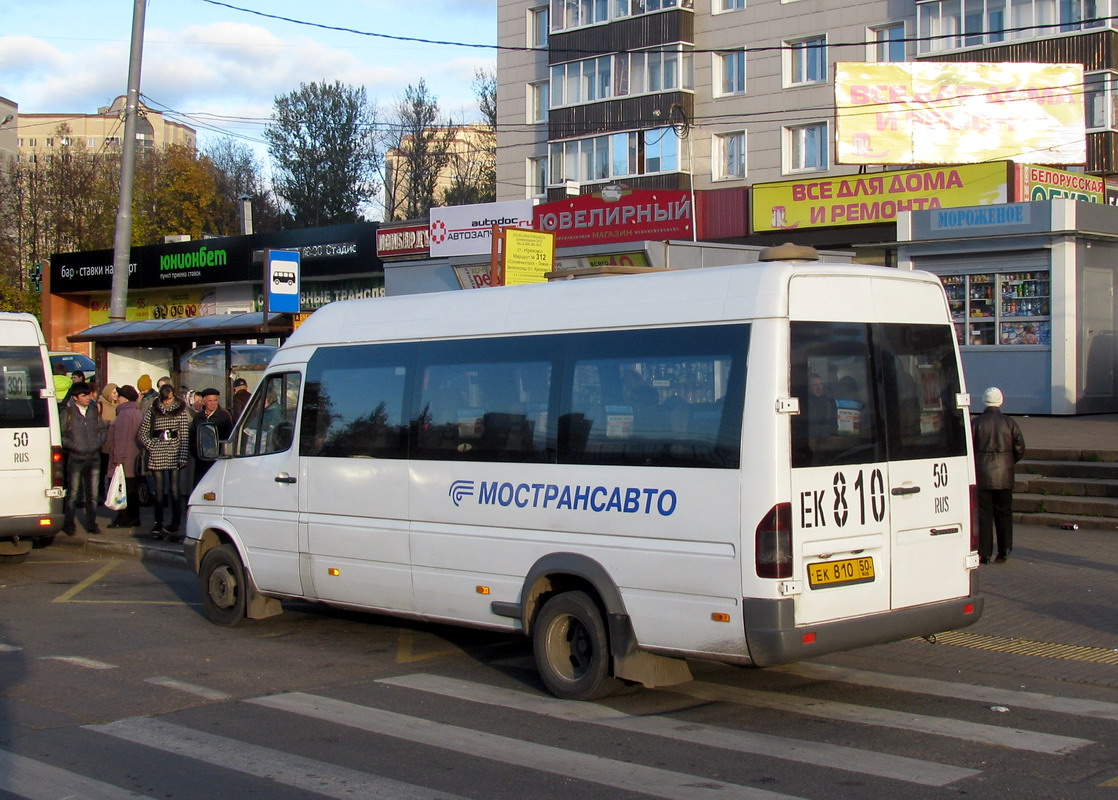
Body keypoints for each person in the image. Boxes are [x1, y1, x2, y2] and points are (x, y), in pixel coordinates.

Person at [972, 387, 1026, 564]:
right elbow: (1020, 448)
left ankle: (984, 552)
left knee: (984, 514)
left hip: (982, 475)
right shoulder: (1009, 423)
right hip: (1004, 476)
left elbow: (969, 448)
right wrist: (1008, 463)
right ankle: (1005, 549)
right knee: (1004, 513)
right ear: (1000, 401)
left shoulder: (976, 423)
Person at [137, 383, 191, 540]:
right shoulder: (153, 409)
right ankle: (158, 521)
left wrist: (182, 456)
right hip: (158, 450)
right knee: (159, 490)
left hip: (174, 450)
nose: (168, 402)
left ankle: (175, 521)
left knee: (175, 489)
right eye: (166, 399)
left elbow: (185, 435)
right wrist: (151, 445)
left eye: (171, 398)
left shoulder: (180, 410)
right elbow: (142, 432)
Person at [60, 382, 108, 535]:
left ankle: (92, 524)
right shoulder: (67, 413)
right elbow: (60, 436)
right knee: (73, 493)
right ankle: (69, 524)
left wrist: (96, 443)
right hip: (76, 457)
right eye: (84, 395)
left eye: (88, 394)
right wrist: (74, 445)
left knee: (93, 494)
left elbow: (102, 431)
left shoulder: (93, 411)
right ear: (75, 398)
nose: (88, 398)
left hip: (94, 457)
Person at [107, 385, 143, 529]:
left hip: (124, 459)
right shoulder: (138, 412)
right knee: (132, 490)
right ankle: (134, 518)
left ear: (124, 398)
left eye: (120, 396)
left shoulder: (124, 414)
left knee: (121, 490)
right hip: (135, 458)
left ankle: (124, 519)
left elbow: (120, 439)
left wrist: (117, 460)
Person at [190, 387, 234, 487]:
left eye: (215, 400)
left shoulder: (224, 415)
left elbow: (230, 436)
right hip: (201, 460)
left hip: (218, 459)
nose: (213, 403)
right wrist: (196, 451)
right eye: (210, 401)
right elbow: (192, 436)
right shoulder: (198, 417)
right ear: (204, 402)